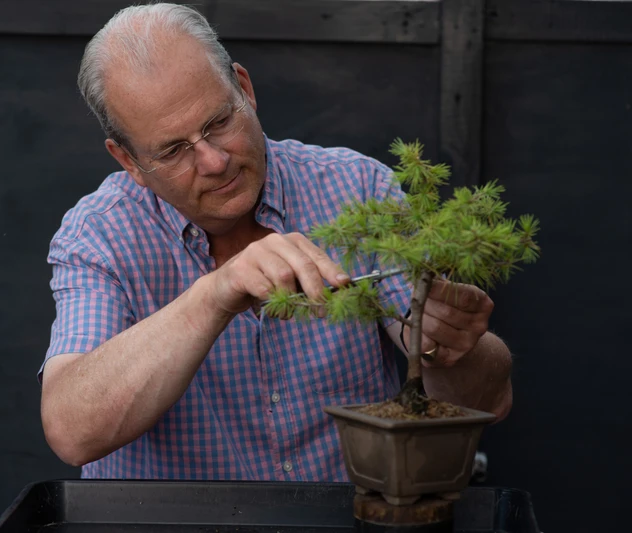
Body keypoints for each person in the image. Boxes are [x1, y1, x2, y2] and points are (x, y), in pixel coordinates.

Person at [39, 3, 512, 480]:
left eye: (219, 122)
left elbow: (486, 403)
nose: (213, 161)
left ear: (244, 89)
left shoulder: (357, 190)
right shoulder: (100, 235)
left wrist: (449, 347)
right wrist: (215, 294)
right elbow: (73, 432)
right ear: (129, 161)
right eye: (174, 150)